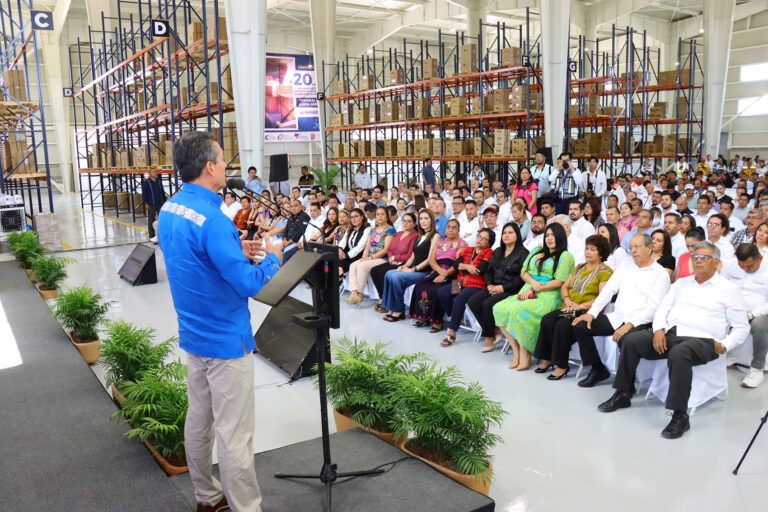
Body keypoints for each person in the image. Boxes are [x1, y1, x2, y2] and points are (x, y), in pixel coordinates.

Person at [158, 131, 282, 512]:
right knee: (235, 434)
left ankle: (207, 497)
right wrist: (274, 256)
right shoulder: (213, 218)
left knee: (199, 420)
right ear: (210, 167)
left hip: (194, 335)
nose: (227, 167)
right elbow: (246, 282)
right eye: (224, 161)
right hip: (227, 342)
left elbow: (191, 258)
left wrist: (234, 248)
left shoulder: (170, 209)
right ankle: (246, 507)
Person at [598, 241, 749, 439]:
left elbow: (742, 327)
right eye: (696, 257)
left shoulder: (728, 289)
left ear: (717, 262)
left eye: (705, 258)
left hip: (704, 340)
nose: (699, 261)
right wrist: (659, 330)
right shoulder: (682, 283)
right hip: (672, 334)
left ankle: (680, 416)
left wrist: (725, 345)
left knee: (680, 353)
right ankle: (623, 393)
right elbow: (662, 309)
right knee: (631, 340)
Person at [571, 234, 671, 387]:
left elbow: (654, 309)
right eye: (630, 247)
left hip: (641, 322)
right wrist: (592, 313)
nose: (633, 251)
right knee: (581, 327)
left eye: (637, 247)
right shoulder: (626, 264)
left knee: (626, 340)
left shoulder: (660, 274)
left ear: (649, 248)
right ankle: (598, 369)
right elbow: (609, 289)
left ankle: (625, 388)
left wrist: (629, 325)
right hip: (618, 317)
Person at [493, 223, 575, 370]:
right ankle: (516, 351)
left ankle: (526, 354)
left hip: (549, 294)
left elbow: (559, 281)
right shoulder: (537, 250)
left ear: (560, 237)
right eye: (547, 235)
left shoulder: (565, 256)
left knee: (520, 311)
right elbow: (523, 272)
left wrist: (536, 288)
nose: (549, 238)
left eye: (553, 235)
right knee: (499, 308)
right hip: (528, 289)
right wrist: (532, 283)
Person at [533, 235, 613, 380]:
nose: (588, 252)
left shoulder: (605, 272)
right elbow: (565, 286)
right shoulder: (579, 268)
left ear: (601, 253)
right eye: (587, 248)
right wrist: (567, 300)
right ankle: (547, 358)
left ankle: (562, 365)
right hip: (569, 307)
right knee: (547, 320)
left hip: (585, 311)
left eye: (592, 249)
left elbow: (603, 298)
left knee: (562, 324)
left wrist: (580, 305)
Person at [467, 223, 529, 352]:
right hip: (493, 287)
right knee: (473, 301)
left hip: (512, 290)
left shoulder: (523, 253)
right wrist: (489, 285)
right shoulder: (498, 251)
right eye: (504, 233)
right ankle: (495, 332)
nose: (506, 235)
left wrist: (503, 288)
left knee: (488, 304)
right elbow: (489, 271)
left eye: (510, 232)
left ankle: (489, 338)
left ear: (517, 235)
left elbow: (522, 278)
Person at [437, 228, 495, 347]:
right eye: (479, 236)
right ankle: (456, 316)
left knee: (460, 299)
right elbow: (456, 264)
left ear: (489, 243)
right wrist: (467, 267)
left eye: (484, 239)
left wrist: (462, 266)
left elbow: (480, 270)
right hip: (460, 282)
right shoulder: (468, 249)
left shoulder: (489, 252)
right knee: (442, 292)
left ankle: (452, 332)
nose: (480, 240)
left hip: (476, 284)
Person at [380, 209, 441, 321]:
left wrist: (413, 269)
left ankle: (399, 310)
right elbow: (413, 256)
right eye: (421, 219)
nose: (423, 221)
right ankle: (390, 308)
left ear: (432, 220)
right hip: (414, 268)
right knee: (389, 274)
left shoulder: (435, 236)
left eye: (426, 218)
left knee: (396, 277)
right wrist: (405, 266)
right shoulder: (420, 235)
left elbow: (429, 259)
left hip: (424, 271)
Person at [409, 220, 468, 331]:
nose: (450, 229)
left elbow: (458, 264)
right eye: (448, 227)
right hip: (439, 271)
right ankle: (424, 317)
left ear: (458, 230)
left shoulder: (462, 244)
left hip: (455, 276)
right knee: (420, 286)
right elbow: (431, 260)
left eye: (454, 227)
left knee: (437, 290)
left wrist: (445, 275)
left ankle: (437, 321)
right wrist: (440, 271)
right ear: (445, 229)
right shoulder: (441, 241)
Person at [722, 244, 768, 387]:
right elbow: (721, 285)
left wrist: (752, 313)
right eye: (742, 266)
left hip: (759, 311)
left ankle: (756, 370)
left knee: (759, 326)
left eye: (750, 266)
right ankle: (714, 359)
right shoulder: (731, 265)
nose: (746, 270)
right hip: (732, 307)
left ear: (760, 258)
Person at [344, 206, 396, 305]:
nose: (380, 216)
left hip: (382, 259)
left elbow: (385, 250)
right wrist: (364, 258)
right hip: (370, 257)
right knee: (353, 265)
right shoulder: (373, 230)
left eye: (382, 214)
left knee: (362, 266)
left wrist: (370, 258)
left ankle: (359, 295)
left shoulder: (390, 229)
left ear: (386, 217)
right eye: (378, 214)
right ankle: (353, 293)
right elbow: (367, 247)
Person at [370, 212, 418, 311]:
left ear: (414, 224)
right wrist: (392, 258)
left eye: (409, 221)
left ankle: (387, 300)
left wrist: (395, 259)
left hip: (404, 264)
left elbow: (409, 255)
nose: (405, 223)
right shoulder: (399, 233)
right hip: (393, 261)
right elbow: (390, 249)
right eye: (404, 221)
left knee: (382, 272)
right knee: (374, 271)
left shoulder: (415, 235)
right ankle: (382, 297)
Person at [337, 208, 370, 276]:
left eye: (356, 216)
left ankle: (340, 271)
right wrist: (339, 249)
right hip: (349, 253)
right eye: (351, 217)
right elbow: (343, 241)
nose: (353, 219)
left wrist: (346, 255)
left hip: (360, 254)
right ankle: (340, 272)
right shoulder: (350, 229)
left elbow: (361, 246)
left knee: (343, 259)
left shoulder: (367, 229)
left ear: (362, 217)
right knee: (335, 256)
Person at [141, 168, 167, 242]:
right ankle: (151, 236)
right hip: (151, 204)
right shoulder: (146, 182)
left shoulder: (159, 181)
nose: (155, 173)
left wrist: (164, 202)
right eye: (153, 172)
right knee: (151, 220)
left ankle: (161, 235)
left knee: (161, 219)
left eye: (156, 172)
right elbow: (144, 194)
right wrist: (146, 203)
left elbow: (162, 192)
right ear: (149, 173)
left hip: (160, 203)